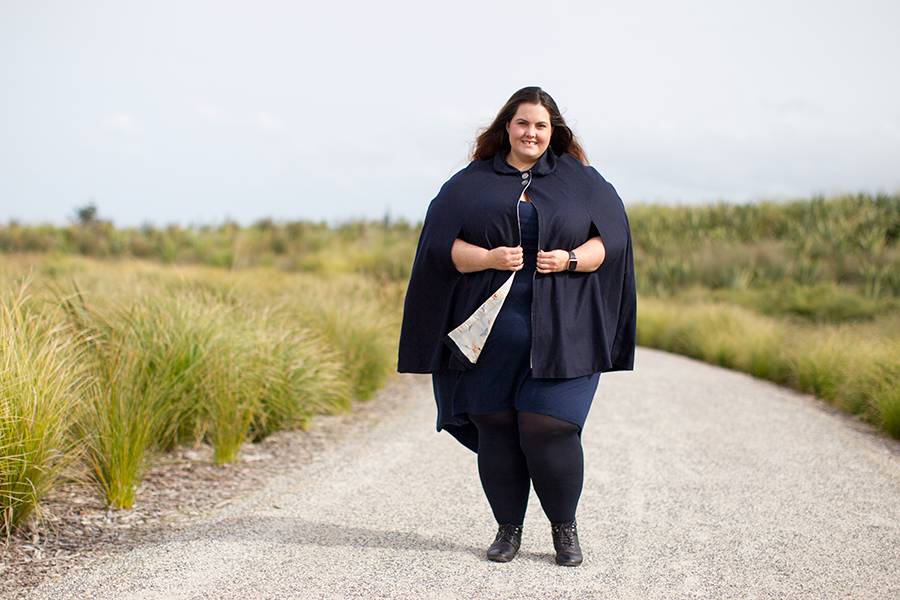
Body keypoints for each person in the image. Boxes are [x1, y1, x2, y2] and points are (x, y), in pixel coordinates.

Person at [398, 86, 636, 566]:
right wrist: (488, 256)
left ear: (554, 131)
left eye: (541, 125)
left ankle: (564, 531)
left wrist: (569, 259)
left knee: (549, 427)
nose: (531, 132)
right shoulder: (469, 183)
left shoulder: (583, 182)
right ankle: (508, 531)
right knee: (498, 429)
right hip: (488, 337)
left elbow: (610, 244)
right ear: (507, 125)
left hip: (566, 332)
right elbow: (440, 249)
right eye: (523, 123)